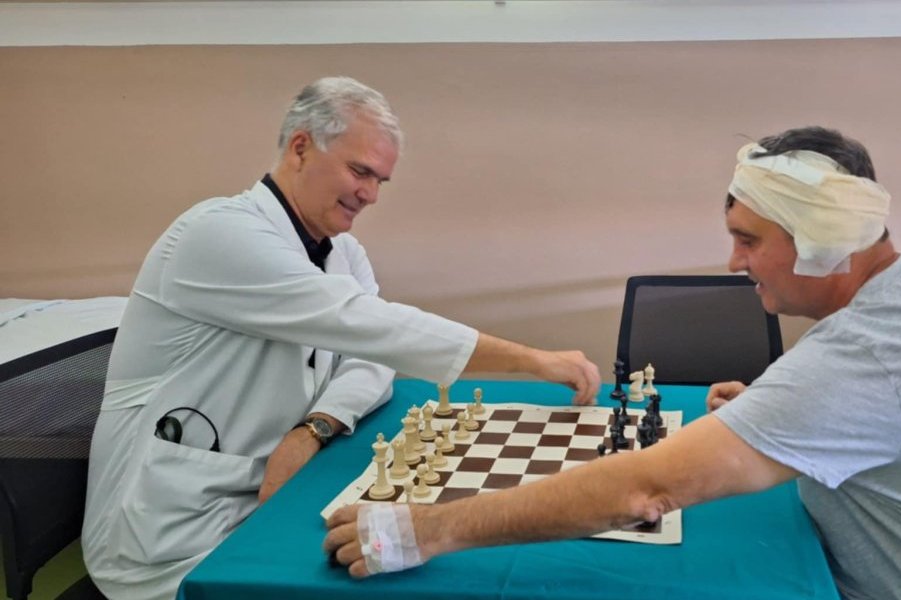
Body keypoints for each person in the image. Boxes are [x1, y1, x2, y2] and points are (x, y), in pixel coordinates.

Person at [324, 126, 901, 599]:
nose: (733, 260)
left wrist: (430, 530)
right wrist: (781, 414)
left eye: (749, 239)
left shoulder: (878, 348)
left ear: (819, 242)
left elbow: (645, 487)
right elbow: (876, 412)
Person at [81, 76, 600, 600]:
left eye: (381, 181)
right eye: (360, 172)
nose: (370, 195)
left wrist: (313, 429)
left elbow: (370, 361)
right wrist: (532, 359)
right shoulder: (217, 234)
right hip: (170, 532)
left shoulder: (341, 252)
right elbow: (370, 326)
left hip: (273, 493)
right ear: (301, 147)